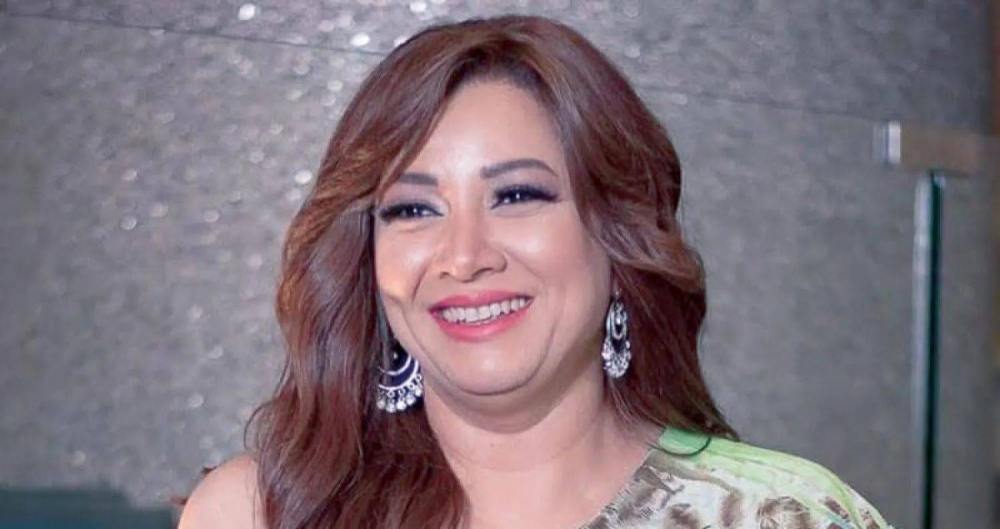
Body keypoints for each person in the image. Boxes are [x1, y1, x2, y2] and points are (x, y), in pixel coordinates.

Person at [179, 14, 893, 529]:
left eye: (518, 196)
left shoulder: (782, 515)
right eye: (414, 210)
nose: (465, 256)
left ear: (618, 237)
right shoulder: (262, 514)